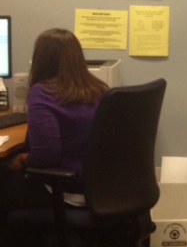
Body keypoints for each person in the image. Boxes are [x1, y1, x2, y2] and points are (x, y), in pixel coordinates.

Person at [0, 28, 108, 242]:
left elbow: (46, 157)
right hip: (99, 187)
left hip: (65, 187)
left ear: (41, 60)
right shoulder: (99, 89)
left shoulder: (43, 93)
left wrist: (21, 159)